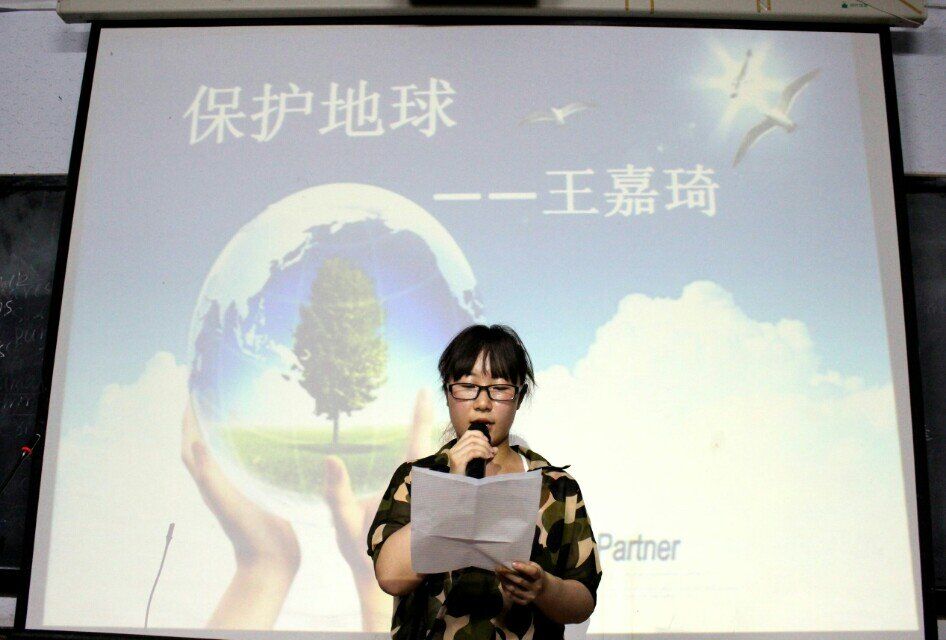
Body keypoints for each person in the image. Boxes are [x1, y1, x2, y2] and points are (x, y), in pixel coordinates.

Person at [367, 324, 603, 639]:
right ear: (447, 394)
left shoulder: (556, 487)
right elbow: (391, 577)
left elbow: (583, 601)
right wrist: (453, 483)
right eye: (467, 386)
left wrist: (544, 587)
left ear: (519, 397)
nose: (482, 403)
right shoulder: (415, 478)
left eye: (499, 388)